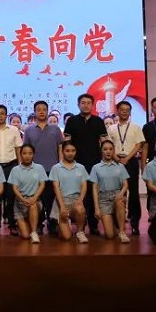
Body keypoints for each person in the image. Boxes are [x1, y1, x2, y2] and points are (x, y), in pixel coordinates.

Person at [63, 93, 106, 235]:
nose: (86, 105)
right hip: (76, 164)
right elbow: (67, 142)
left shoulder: (98, 121)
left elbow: (103, 142)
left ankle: (93, 224)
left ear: (92, 105)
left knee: (93, 194)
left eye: (88, 103)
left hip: (95, 163)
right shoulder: (72, 121)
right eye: (83, 102)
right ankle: (80, 223)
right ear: (78, 105)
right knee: (78, 193)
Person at [22, 100, 64, 236]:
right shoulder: (29, 130)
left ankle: (52, 223)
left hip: (53, 169)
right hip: (35, 170)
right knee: (37, 198)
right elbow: (26, 150)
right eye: (38, 109)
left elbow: (60, 148)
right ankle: (38, 224)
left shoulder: (55, 129)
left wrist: (60, 164)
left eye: (44, 109)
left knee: (51, 198)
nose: (41, 112)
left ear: (47, 111)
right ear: (34, 112)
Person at [106, 100, 144, 234]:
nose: (124, 112)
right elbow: (108, 145)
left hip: (131, 161)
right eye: (122, 109)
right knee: (117, 191)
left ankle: (134, 222)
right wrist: (115, 157)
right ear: (117, 111)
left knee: (133, 192)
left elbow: (139, 145)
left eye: (127, 110)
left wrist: (127, 158)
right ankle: (117, 222)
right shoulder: (111, 128)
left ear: (130, 112)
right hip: (115, 161)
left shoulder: (136, 127)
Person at [0, 104, 23, 234]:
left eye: (2, 113)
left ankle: (12, 224)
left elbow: (18, 148)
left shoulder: (14, 130)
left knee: (11, 196)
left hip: (11, 166)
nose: (0, 116)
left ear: (6, 115)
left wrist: (20, 166)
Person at [90, 140, 131, 244]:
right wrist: (97, 208)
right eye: (105, 149)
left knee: (120, 202)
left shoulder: (120, 166)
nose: (108, 151)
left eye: (110, 149)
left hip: (117, 195)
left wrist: (121, 194)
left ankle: (121, 232)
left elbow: (125, 184)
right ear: (101, 151)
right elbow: (94, 188)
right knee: (109, 235)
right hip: (103, 199)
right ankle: (114, 224)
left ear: (113, 151)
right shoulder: (96, 168)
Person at [49, 141, 90, 243]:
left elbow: (84, 186)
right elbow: (56, 188)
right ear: (62, 151)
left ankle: (80, 232)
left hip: (76, 201)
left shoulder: (81, 167)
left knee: (80, 209)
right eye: (67, 151)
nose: (70, 153)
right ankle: (61, 225)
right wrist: (62, 206)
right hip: (61, 201)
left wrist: (80, 200)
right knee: (66, 237)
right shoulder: (56, 168)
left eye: (73, 151)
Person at [8, 144, 47, 244]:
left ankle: (34, 232)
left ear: (33, 154)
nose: (27, 156)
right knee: (25, 236)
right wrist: (22, 199)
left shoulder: (39, 168)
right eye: (24, 153)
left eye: (30, 153)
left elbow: (42, 185)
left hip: (35, 200)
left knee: (33, 205)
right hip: (20, 203)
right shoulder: (15, 170)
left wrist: (34, 198)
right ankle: (28, 223)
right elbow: (14, 188)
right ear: (20, 154)